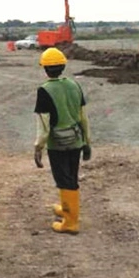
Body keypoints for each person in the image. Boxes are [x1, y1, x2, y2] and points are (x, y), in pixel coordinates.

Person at [33, 47, 91, 234]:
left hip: (57, 144)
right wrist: (87, 142)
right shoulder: (75, 85)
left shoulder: (44, 90)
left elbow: (44, 125)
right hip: (75, 140)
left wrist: (38, 148)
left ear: (45, 69)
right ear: (63, 66)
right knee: (71, 176)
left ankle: (70, 222)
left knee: (64, 180)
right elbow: (83, 117)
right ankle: (67, 209)